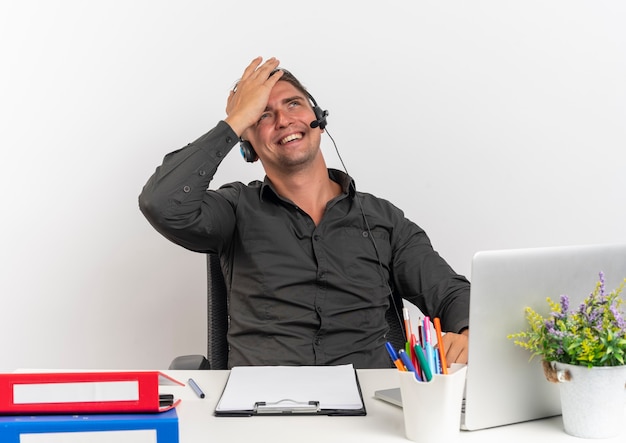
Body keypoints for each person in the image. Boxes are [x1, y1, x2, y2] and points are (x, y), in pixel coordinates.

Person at [139, 56, 470, 369]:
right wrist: (236, 119)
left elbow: (451, 293)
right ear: (247, 145)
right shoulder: (234, 208)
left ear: (320, 121)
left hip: (368, 406)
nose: (283, 120)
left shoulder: (383, 219)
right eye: (263, 115)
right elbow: (162, 202)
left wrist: (469, 334)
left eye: (293, 104)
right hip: (263, 411)